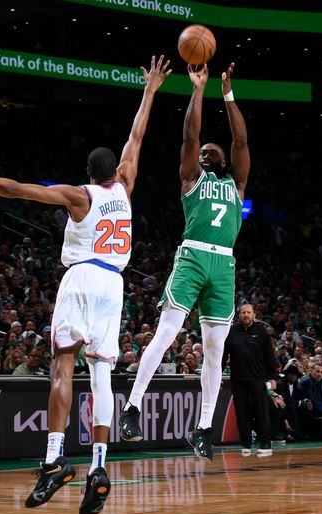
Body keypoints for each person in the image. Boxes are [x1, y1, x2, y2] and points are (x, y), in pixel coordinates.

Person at [0, 56, 170, 514]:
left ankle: (55, 459)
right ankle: (99, 467)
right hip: (115, 285)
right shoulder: (125, 188)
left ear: (88, 173)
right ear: (115, 172)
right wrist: (150, 91)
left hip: (81, 277)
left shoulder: (79, 196)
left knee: (63, 366)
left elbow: (14, 188)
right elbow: (137, 137)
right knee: (101, 375)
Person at [120, 61, 250, 464]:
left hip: (224, 267)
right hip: (193, 256)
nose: (207, 151)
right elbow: (190, 134)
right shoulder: (192, 178)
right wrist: (199, 89)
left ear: (224, 161)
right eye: (204, 151)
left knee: (214, 352)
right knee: (167, 333)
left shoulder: (236, 184)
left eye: (214, 150)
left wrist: (227, 94)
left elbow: (242, 142)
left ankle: (203, 428)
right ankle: (133, 407)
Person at [221, 303, 278, 456]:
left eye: (249, 312)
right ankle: (245, 444)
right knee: (241, 414)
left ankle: (265, 444)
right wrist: (218, 375)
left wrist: (272, 377)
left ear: (254, 314)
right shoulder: (231, 332)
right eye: (243, 312)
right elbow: (223, 355)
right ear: (239, 315)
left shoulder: (261, 331)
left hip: (258, 379)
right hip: (238, 380)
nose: (246, 315)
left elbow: (269, 356)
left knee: (261, 412)